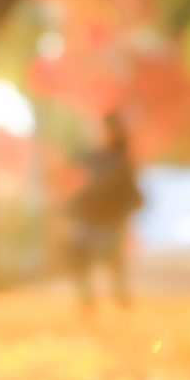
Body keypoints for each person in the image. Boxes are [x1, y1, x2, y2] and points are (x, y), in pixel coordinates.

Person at [66, 111, 143, 306]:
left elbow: (131, 191)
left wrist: (127, 211)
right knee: (81, 258)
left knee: (113, 261)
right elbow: (74, 183)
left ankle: (120, 295)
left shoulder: (121, 161)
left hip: (111, 218)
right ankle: (87, 298)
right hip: (87, 216)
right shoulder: (88, 158)